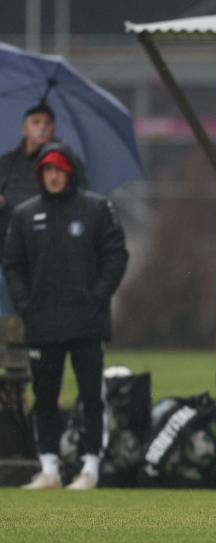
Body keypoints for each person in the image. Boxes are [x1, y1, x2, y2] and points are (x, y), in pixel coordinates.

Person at [5, 142, 128, 490]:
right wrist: (24, 302)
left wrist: (99, 295)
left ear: (70, 172)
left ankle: (90, 467)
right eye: (47, 170)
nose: (53, 176)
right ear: (39, 174)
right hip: (42, 324)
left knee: (91, 396)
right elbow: (12, 264)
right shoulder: (25, 215)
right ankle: (49, 468)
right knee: (45, 396)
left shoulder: (97, 208)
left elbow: (116, 255)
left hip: (86, 322)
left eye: (59, 169)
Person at [0, 104, 57, 314]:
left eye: (47, 123)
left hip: (44, 252)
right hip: (6, 252)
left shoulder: (61, 167)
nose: (42, 127)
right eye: (36, 122)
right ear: (24, 128)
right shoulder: (6, 164)